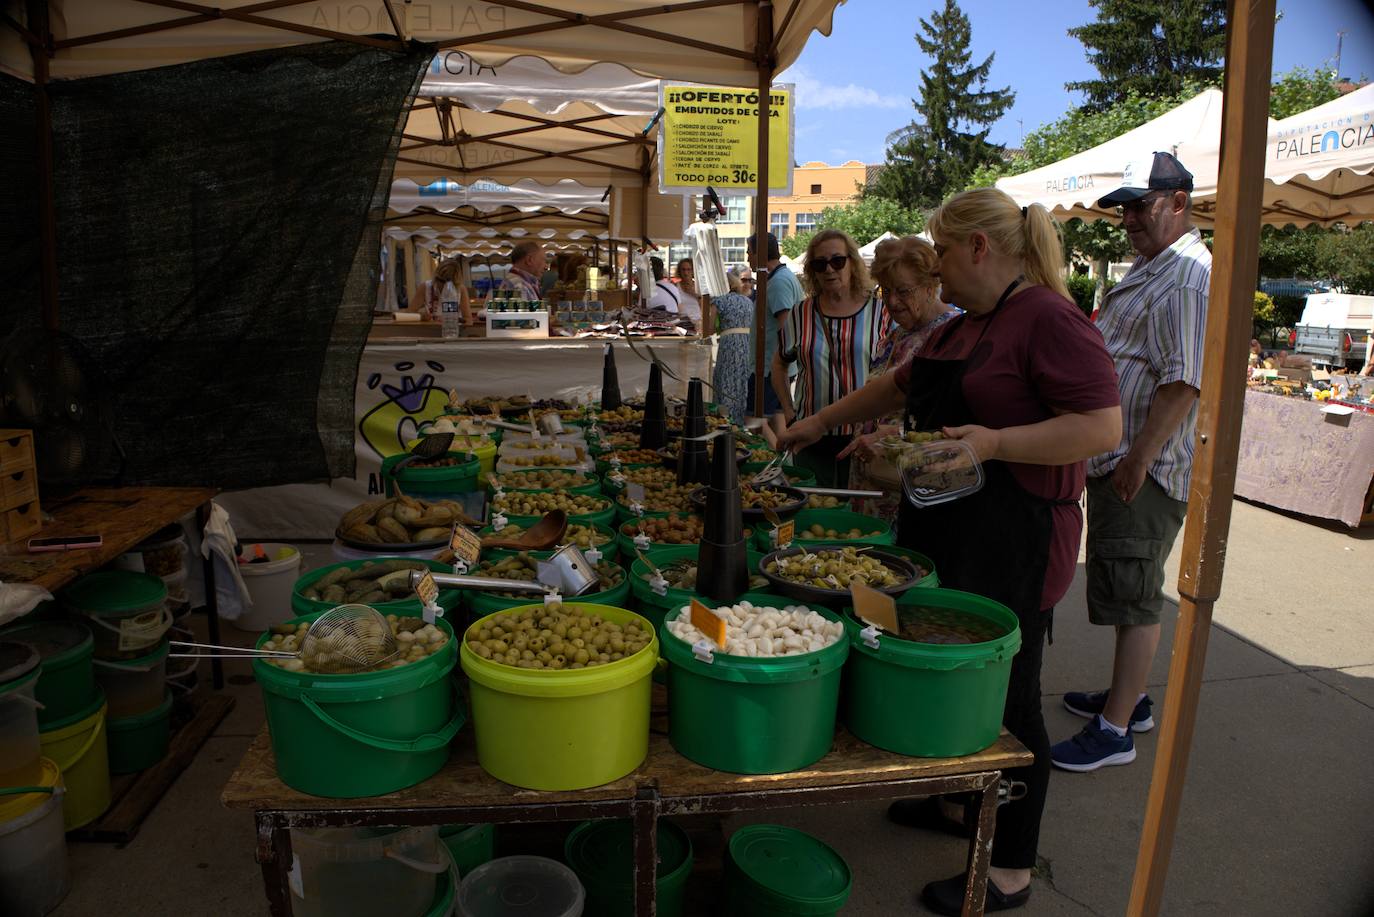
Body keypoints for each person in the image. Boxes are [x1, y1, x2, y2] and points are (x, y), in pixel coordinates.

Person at [777, 188, 1122, 915]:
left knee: (1011, 695)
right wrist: (815, 426)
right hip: (946, 525)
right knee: (941, 665)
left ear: (978, 248)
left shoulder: (1051, 319)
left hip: (1016, 536)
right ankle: (954, 801)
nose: (934, 265)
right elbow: (894, 386)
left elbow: (1100, 427)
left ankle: (1012, 866)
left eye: (940, 249)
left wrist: (997, 443)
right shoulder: (965, 326)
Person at [1051, 152, 1210, 774]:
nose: (1129, 221)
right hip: (1123, 456)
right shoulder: (1158, 268)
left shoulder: (1187, 277)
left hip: (1145, 465)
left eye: (1140, 208)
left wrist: (1139, 457)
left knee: (1137, 593)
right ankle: (1130, 696)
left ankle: (1115, 728)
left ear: (1178, 203)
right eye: (1123, 211)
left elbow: (1181, 382)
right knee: (1124, 584)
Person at [838, 235, 960, 521]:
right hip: (874, 488)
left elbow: (955, 423)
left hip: (910, 497)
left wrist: (892, 436)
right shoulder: (897, 334)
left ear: (932, 286)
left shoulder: (951, 335)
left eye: (904, 291)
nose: (892, 301)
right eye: (886, 290)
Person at [771, 229, 894, 488]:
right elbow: (779, 363)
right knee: (814, 510)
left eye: (837, 261)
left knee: (856, 516)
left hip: (865, 436)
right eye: (820, 264)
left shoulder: (880, 311)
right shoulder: (800, 313)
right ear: (813, 271)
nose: (829, 270)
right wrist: (789, 411)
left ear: (852, 262)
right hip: (811, 436)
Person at [747, 232, 803, 419]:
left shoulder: (779, 282)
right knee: (776, 419)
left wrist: (780, 366)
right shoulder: (780, 278)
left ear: (759, 254)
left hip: (770, 369)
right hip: (773, 368)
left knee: (756, 421)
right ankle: (780, 449)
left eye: (750, 252)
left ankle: (773, 449)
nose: (748, 257)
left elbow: (786, 326)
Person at [711, 270, 755, 424]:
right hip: (747, 344)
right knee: (741, 383)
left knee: (725, 381)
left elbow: (709, 328)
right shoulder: (748, 301)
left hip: (729, 344)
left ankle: (725, 420)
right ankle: (740, 421)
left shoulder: (719, 301)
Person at [408, 259, 472, 324]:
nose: (445, 286)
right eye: (441, 281)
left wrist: (456, 320)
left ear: (455, 283)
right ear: (436, 278)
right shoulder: (425, 287)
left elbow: (468, 319)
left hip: (452, 329)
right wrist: (422, 316)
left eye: (449, 284)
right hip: (430, 329)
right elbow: (410, 312)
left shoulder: (461, 289)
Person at [673, 257, 703, 324]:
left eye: (689, 269)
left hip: (697, 321)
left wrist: (695, 294)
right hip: (681, 322)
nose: (686, 273)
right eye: (683, 270)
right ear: (679, 271)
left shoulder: (700, 287)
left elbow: (706, 307)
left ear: (693, 271)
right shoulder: (675, 286)